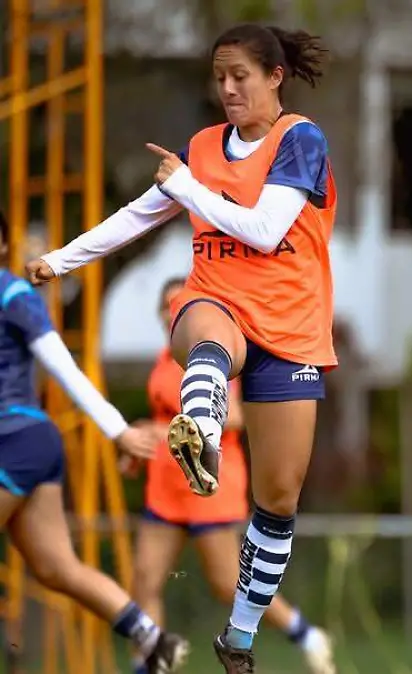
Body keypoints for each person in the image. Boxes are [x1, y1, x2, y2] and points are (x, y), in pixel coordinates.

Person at [28, 23, 337, 673]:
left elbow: (263, 228)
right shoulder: (201, 147)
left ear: (275, 77)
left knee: (280, 498)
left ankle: (241, 638)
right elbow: (141, 213)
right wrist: (62, 259)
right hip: (216, 303)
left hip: (293, 329)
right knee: (204, 330)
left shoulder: (299, 140)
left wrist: (188, 187)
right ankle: (200, 421)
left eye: (240, 77)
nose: (226, 88)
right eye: (218, 77)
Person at [0, 208, 189, 673]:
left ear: (4, 245)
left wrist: (116, 429)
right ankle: (154, 639)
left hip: (18, 440)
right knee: (55, 569)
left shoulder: (13, 295)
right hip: (30, 448)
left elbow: (64, 367)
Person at [124, 277, 336, 674]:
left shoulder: (217, 355)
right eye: (169, 306)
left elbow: (237, 414)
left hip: (211, 484)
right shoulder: (164, 357)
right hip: (164, 486)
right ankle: (149, 665)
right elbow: (160, 420)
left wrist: (183, 422)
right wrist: (141, 439)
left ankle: (304, 633)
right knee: (144, 580)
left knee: (227, 583)